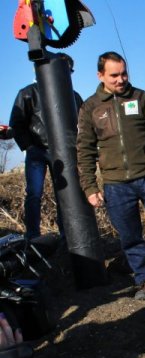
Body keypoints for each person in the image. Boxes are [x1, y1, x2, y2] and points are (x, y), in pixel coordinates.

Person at [77, 51, 145, 300]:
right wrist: (90, 187)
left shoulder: (142, 98)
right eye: (114, 75)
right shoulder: (91, 108)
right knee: (130, 238)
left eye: (124, 73)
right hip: (116, 185)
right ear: (100, 75)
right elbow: (83, 150)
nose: (120, 79)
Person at [4, 53, 83, 241]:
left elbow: (82, 124)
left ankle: (67, 234)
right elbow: (17, 122)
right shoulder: (28, 92)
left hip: (63, 152)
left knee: (65, 194)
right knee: (34, 194)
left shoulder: (74, 96)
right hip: (37, 151)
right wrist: (29, 147)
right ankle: (32, 235)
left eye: (68, 70)